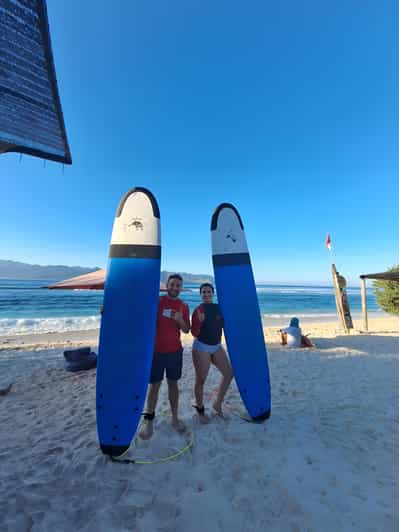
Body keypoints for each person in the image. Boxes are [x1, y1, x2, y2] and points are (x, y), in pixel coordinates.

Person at [139, 274, 190, 440]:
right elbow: (136, 311)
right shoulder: (157, 301)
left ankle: (174, 418)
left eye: (178, 286)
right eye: (173, 284)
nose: (175, 288)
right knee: (154, 387)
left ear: (181, 288)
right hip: (156, 352)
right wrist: (109, 310)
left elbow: (186, 330)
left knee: (173, 385)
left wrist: (180, 320)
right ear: (167, 285)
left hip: (175, 352)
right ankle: (149, 422)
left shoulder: (183, 305)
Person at [191, 283, 233, 423]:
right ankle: (200, 409)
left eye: (209, 292)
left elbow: (227, 322)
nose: (206, 294)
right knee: (201, 380)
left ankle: (217, 403)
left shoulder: (219, 308)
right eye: (204, 292)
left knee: (228, 374)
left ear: (213, 293)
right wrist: (199, 322)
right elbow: (194, 333)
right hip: (201, 347)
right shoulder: (198, 310)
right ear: (200, 294)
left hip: (216, 346)